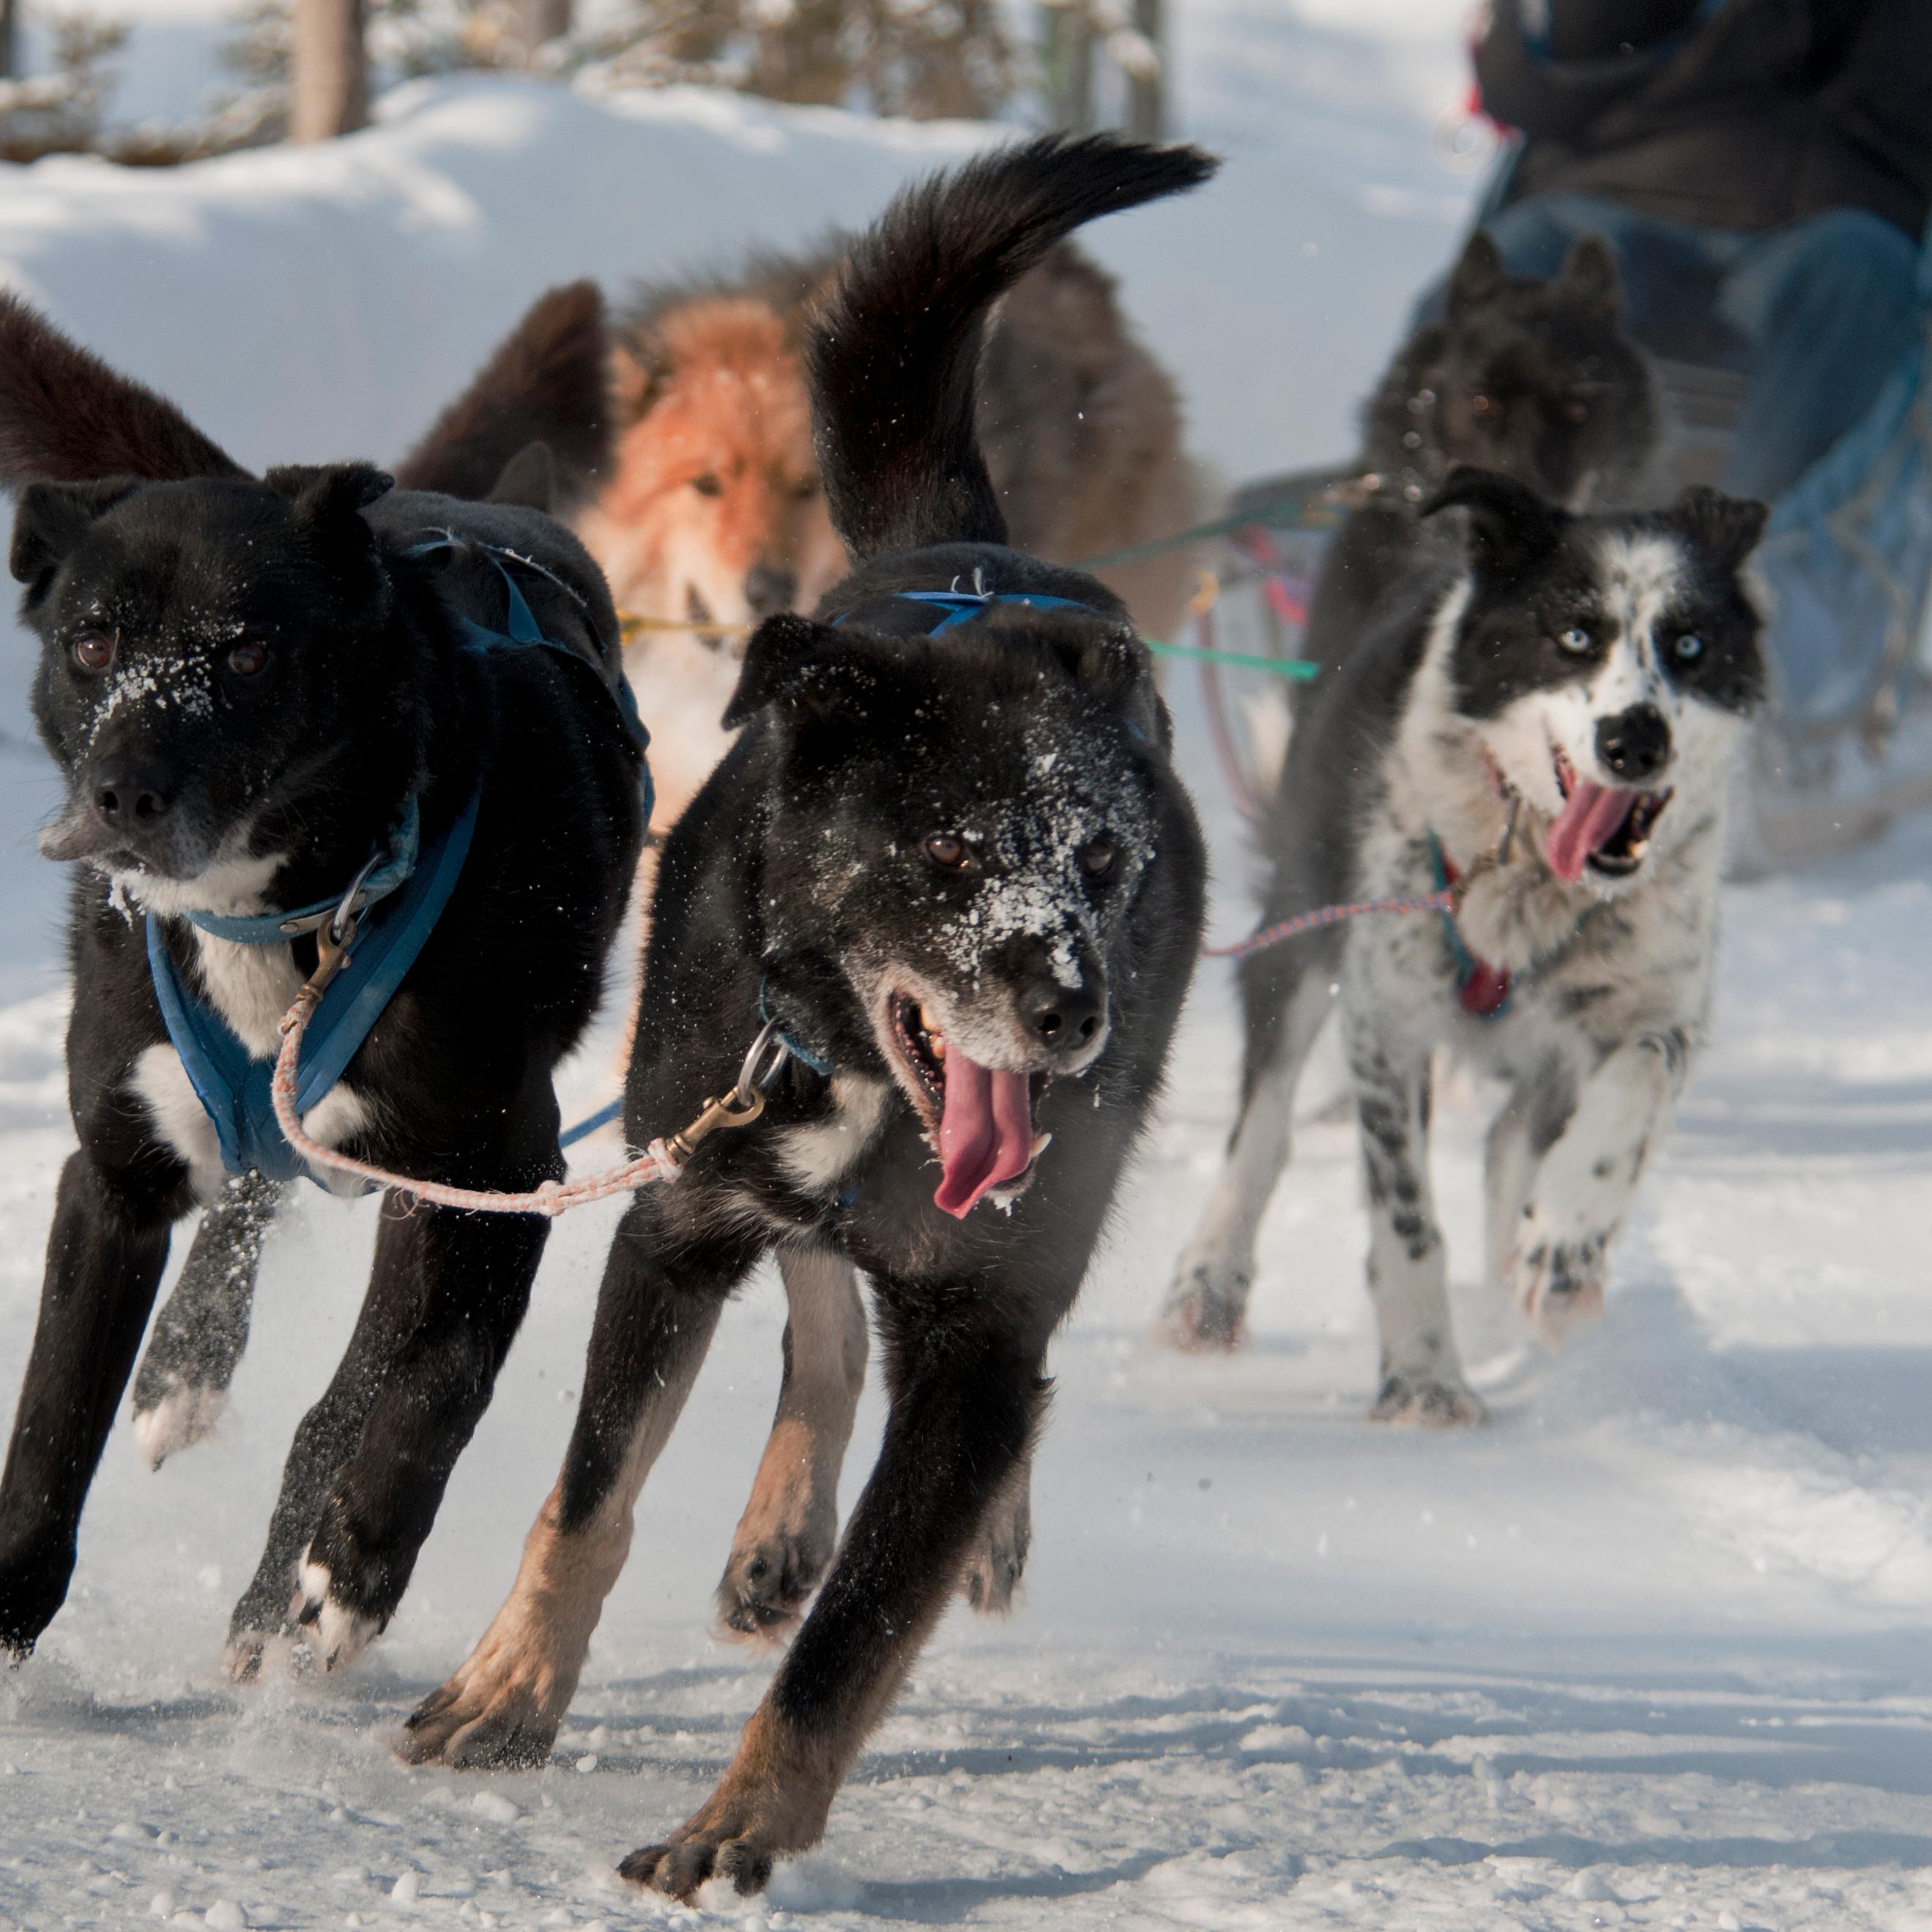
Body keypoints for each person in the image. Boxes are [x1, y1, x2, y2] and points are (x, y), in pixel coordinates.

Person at [1465, 0, 1931, 505]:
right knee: (1514, 277)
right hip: (1616, 193)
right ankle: (1450, 524)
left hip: (1835, 221)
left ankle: (1758, 543)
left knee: (1860, 278)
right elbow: (1524, 87)